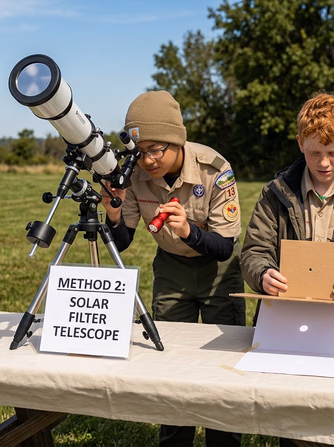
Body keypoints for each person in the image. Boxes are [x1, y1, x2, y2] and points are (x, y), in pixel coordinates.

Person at [101, 90, 245, 447]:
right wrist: (114, 214)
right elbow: (122, 243)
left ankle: (223, 439)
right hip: (170, 270)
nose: (147, 160)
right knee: (167, 360)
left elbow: (225, 247)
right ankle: (174, 439)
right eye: (140, 151)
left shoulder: (215, 168)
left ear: (176, 141)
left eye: (155, 149)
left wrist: (189, 232)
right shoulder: (133, 175)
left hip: (218, 273)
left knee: (222, 365)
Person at [240, 93, 334, 306]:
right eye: (314, 152)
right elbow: (254, 251)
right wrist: (263, 275)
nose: (324, 162)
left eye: (333, 153)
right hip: (284, 313)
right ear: (300, 143)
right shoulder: (274, 193)